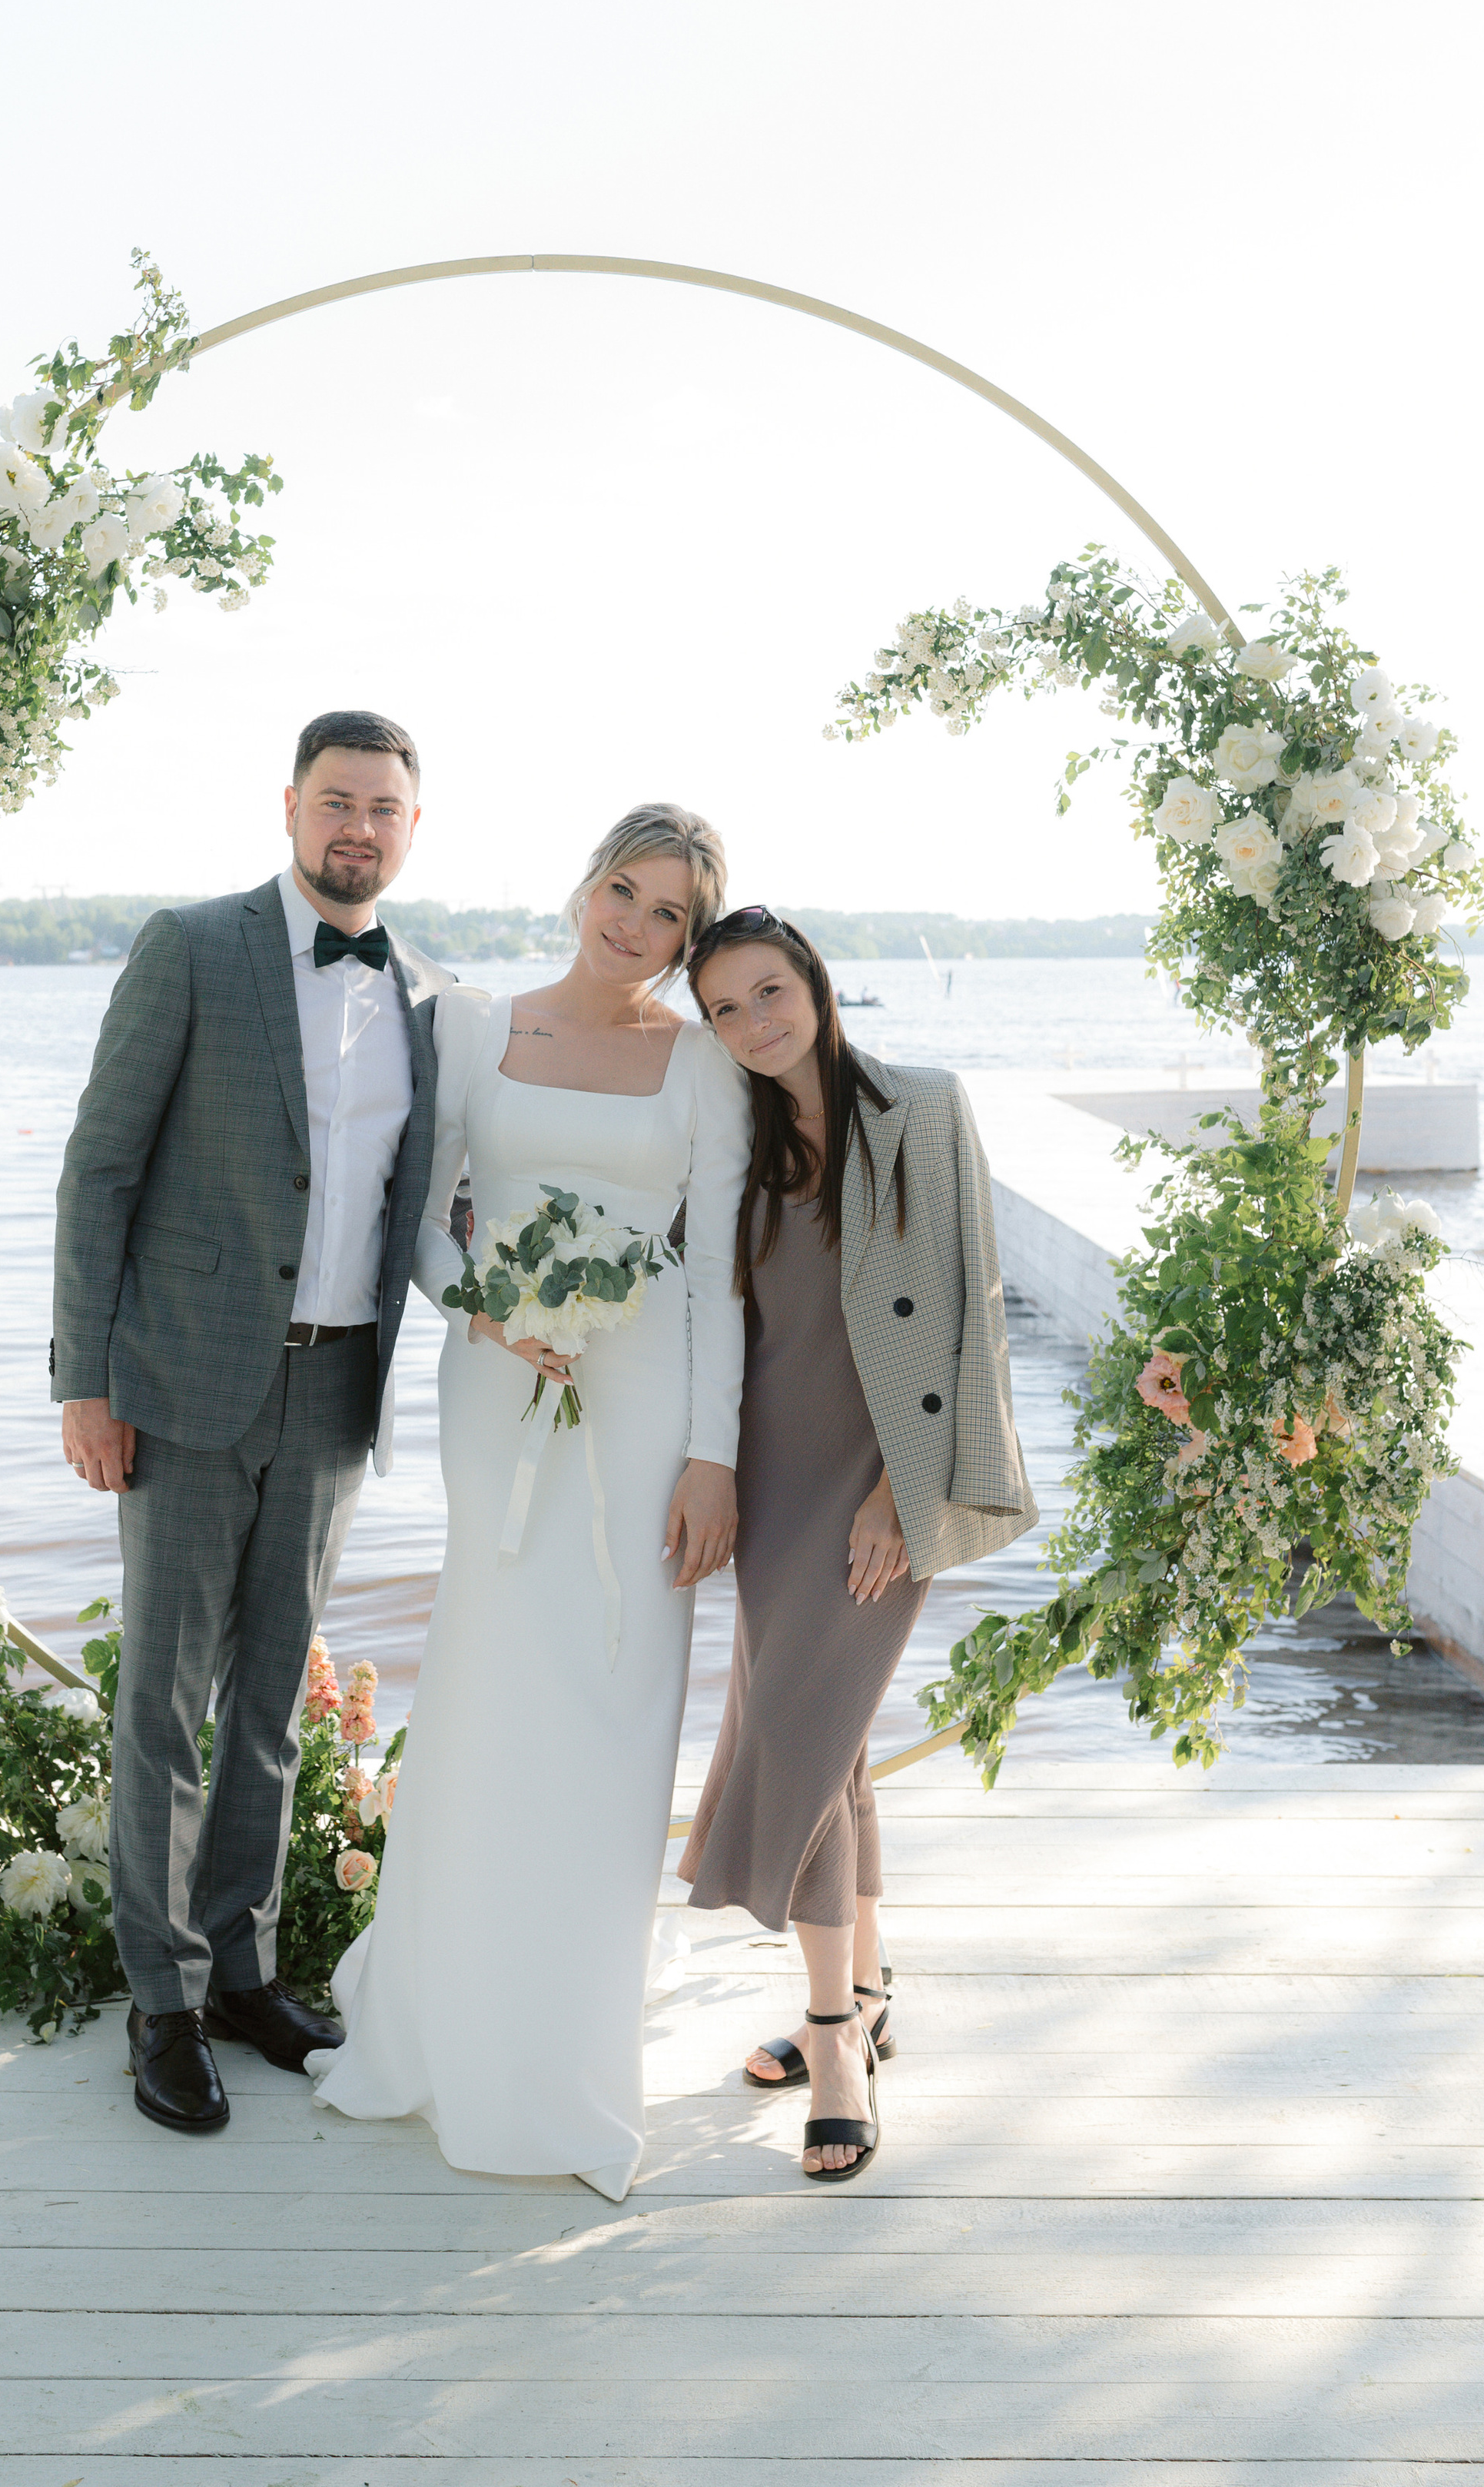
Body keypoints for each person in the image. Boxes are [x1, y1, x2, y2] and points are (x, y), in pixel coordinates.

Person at [309, 805, 752, 2201]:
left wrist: (715, 1459)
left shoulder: (702, 1066)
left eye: (670, 915)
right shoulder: (474, 1030)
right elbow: (423, 1221)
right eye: (625, 890)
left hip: (648, 1406)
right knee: (496, 1683)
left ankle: (572, 2032)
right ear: (586, 885)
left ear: (689, 942)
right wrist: (495, 1313)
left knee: (618, 1692)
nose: (636, 925)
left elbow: (724, 1275)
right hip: (500, 1391)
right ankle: (455, 2010)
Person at [51, 710, 453, 2133]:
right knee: (162, 1701)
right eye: (337, 801)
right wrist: (82, 1382)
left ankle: (243, 1967)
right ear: (290, 809)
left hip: (339, 1387)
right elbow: (99, 1172)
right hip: (182, 1380)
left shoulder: (426, 995)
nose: (358, 828)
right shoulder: (194, 947)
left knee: (273, 1703)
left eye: (384, 809)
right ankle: (159, 2001)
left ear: (413, 829)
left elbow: (433, 1206)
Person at [679, 907, 1037, 2184]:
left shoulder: (923, 1110)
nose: (751, 1024)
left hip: (878, 1478)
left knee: (799, 1730)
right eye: (723, 1009)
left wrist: (902, 1489)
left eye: (768, 993)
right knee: (830, 1742)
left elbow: (968, 1305)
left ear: (816, 985)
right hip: (769, 1481)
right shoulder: (732, 1129)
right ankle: (868, 1991)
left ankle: (832, 2037)